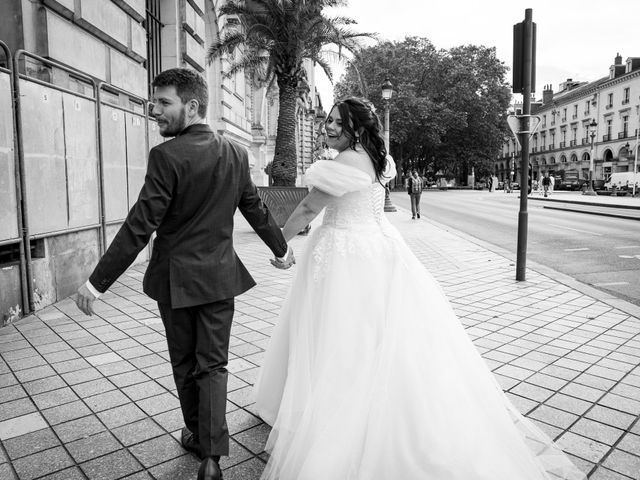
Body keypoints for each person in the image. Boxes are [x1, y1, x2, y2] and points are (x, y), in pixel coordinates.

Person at [253, 97, 586, 480]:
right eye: (327, 120)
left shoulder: (342, 164)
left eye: (337, 123)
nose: (328, 127)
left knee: (340, 333)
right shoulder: (378, 158)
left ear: (357, 128)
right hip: (378, 249)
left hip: (345, 254)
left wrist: (280, 245)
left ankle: (335, 413)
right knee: (374, 333)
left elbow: (309, 209)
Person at [73, 68, 294, 480]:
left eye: (163, 103)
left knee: (184, 361)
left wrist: (95, 283)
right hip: (219, 278)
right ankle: (211, 458)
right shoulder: (235, 152)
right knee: (213, 364)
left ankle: (196, 433)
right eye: (155, 101)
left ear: (192, 107)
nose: (154, 110)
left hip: (175, 282)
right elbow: (255, 209)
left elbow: (141, 224)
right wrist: (281, 250)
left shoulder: (166, 156)